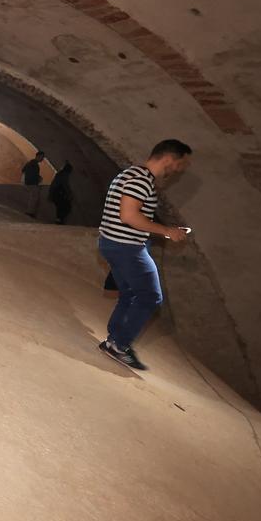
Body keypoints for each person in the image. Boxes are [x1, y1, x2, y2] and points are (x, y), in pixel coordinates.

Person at [97, 139, 194, 371]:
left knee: (130, 293)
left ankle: (114, 339)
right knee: (150, 297)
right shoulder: (140, 180)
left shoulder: (131, 174)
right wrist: (167, 232)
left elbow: (132, 214)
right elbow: (129, 216)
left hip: (113, 243)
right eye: (181, 164)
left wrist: (164, 229)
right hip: (127, 247)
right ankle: (119, 345)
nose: (180, 170)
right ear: (169, 159)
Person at [22, 150, 45, 216]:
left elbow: (23, 170)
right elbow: (33, 174)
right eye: (42, 157)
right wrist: (38, 178)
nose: (42, 159)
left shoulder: (30, 162)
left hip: (28, 182)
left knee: (33, 197)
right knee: (34, 198)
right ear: (38, 156)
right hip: (32, 183)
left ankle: (29, 212)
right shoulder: (34, 164)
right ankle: (30, 212)